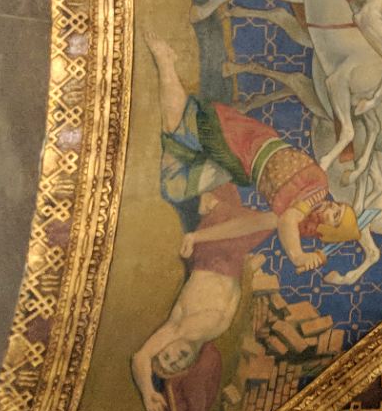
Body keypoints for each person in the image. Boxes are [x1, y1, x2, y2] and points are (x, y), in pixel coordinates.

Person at [147, 30, 357, 273]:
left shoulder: (293, 221)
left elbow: (249, 224)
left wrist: (196, 237)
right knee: (179, 124)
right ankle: (166, 61)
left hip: (240, 168)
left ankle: (194, 162)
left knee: (174, 186)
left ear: (325, 232)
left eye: (335, 217)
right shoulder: (317, 190)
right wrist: (298, 256)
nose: (331, 208)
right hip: (248, 143)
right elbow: (289, 219)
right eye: (337, 207)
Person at [125, 185, 268, 411]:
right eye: (177, 364)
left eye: (167, 356)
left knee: (264, 217)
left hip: (212, 253)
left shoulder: (179, 327)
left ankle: (208, 203)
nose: (175, 357)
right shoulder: (204, 335)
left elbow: (141, 356)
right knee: (265, 216)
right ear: (188, 365)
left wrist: (149, 391)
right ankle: (211, 199)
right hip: (229, 255)